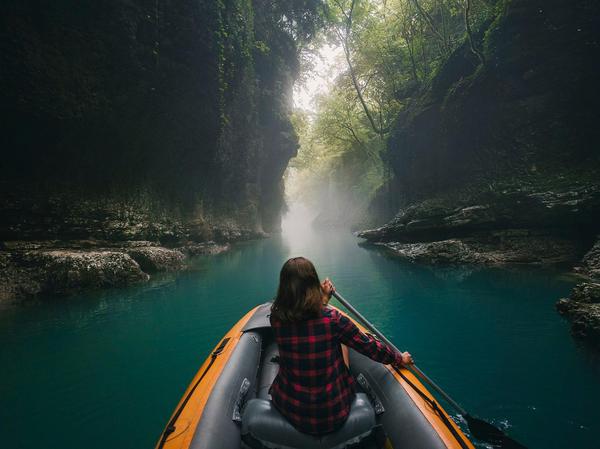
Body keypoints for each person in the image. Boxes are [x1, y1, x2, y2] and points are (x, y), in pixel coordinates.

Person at [269, 256, 413, 436]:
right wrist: (399, 358)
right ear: (313, 284)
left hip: (291, 408)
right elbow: (369, 347)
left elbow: (303, 320)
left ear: (284, 287)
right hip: (334, 411)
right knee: (343, 343)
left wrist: (322, 301)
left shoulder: (276, 318)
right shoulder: (333, 320)